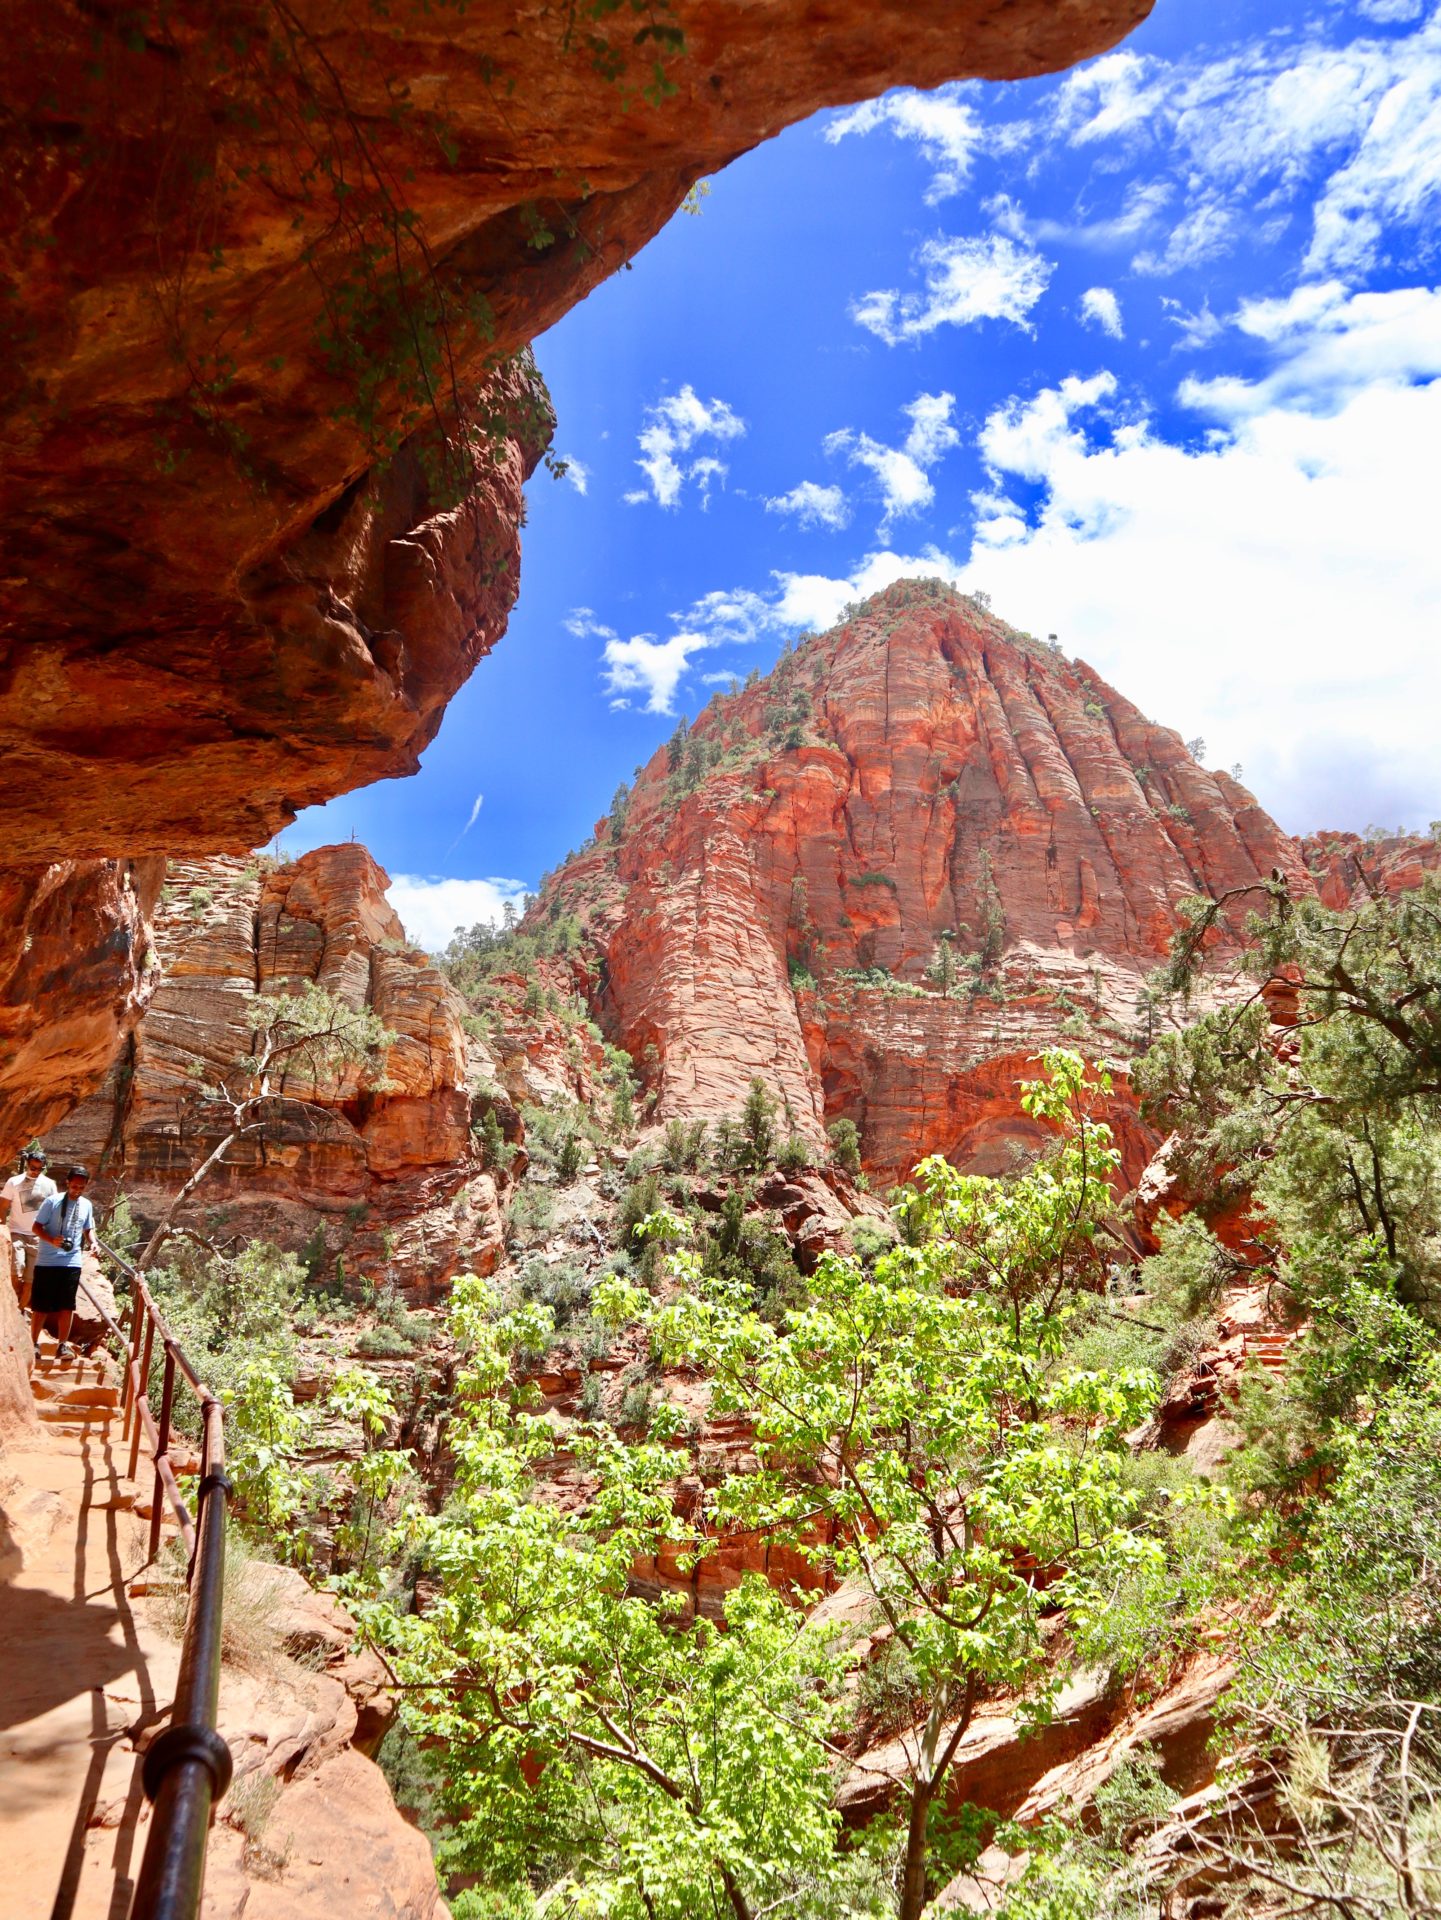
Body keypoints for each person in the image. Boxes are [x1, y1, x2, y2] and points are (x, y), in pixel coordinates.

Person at [31, 1165, 99, 1363]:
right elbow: (36, 1227)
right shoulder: (52, 1202)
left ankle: (62, 1346)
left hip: (71, 1261)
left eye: (81, 1187)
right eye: (75, 1186)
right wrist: (51, 1240)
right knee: (41, 1306)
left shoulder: (86, 1205)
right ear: (67, 1183)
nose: (77, 1190)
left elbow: (88, 1229)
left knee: (67, 1306)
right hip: (47, 1261)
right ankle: (33, 1343)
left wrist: (94, 1242)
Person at [3, 1145, 58, 1312]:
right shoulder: (14, 1182)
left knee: (30, 1279)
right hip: (16, 1232)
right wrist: (2, 1225)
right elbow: (3, 1204)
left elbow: (53, 1209)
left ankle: (19, 1310)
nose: (35, 1171)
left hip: (37, 1235)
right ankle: (12, 1301)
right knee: (16, 1270)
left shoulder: (49, 1185)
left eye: (39, 1169)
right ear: (27, 1164)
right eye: (33, 1168)